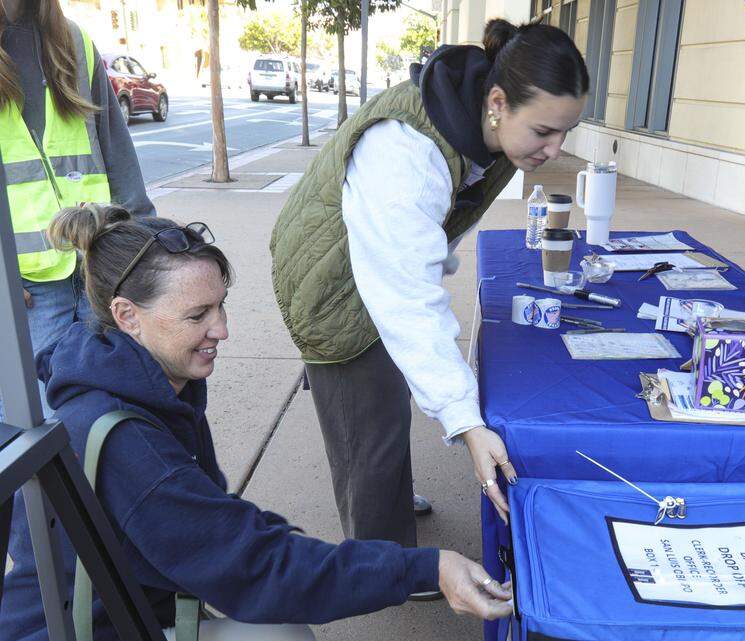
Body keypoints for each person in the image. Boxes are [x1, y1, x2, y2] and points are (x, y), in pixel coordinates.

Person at [0, 205, 513, 641]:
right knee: (279, 633)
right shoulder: (128, 441)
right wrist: (428, 568)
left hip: (130, 607)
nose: (221, 329)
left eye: (220, 306)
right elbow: (255, 567)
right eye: (197, 315)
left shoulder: (138, 379)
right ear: (127, 315)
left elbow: (220, 524)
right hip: (89, 629)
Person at [269, 18, 589, 596]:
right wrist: (467, 423)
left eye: (565, 133)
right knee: (365, 426)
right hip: (329, 288)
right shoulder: (405, 150)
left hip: (371, 266)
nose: (555, 149)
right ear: (498, 102)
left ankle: (388, 505)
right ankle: (381, 566)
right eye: (544, 131)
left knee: (387, 403)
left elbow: (420, 242)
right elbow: (407, 302)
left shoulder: (478, 123)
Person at [0, 0, 154, 420]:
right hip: (26, 291)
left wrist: (140, 249)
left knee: (113, 410)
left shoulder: (73, 40)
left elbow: (116, 151)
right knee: (41, 428)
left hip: (98, 264)